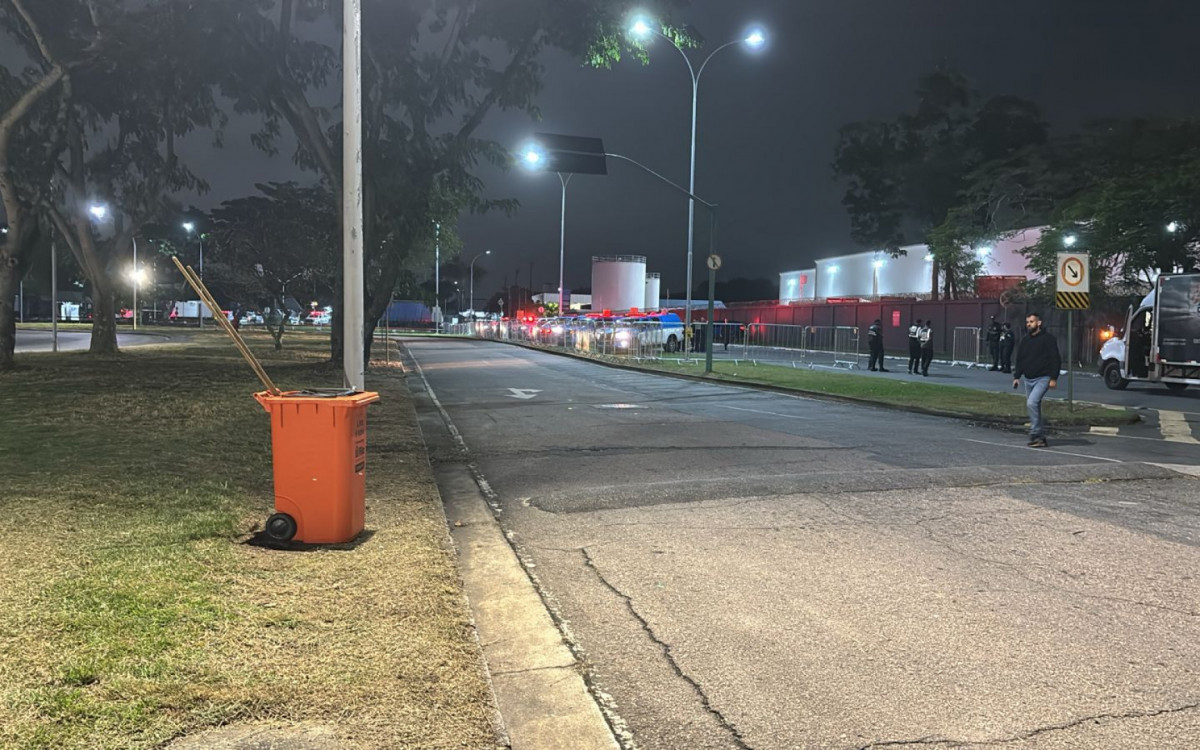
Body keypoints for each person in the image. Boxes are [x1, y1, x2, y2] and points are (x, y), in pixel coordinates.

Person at [1012, 312, 1061, 448]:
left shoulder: (1048, 339)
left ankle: (1036, 433)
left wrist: (1053, 378)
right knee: (1035, 407)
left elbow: (1055, 358)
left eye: (1032, 322)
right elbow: (1020, 359)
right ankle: (1040, 438)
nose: (1029, 324)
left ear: (1039, 323)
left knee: (1031, 403)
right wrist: (1017, 376)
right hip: (1028, 378)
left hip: (1043, 377)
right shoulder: (1025, 340)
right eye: (1027, 322)